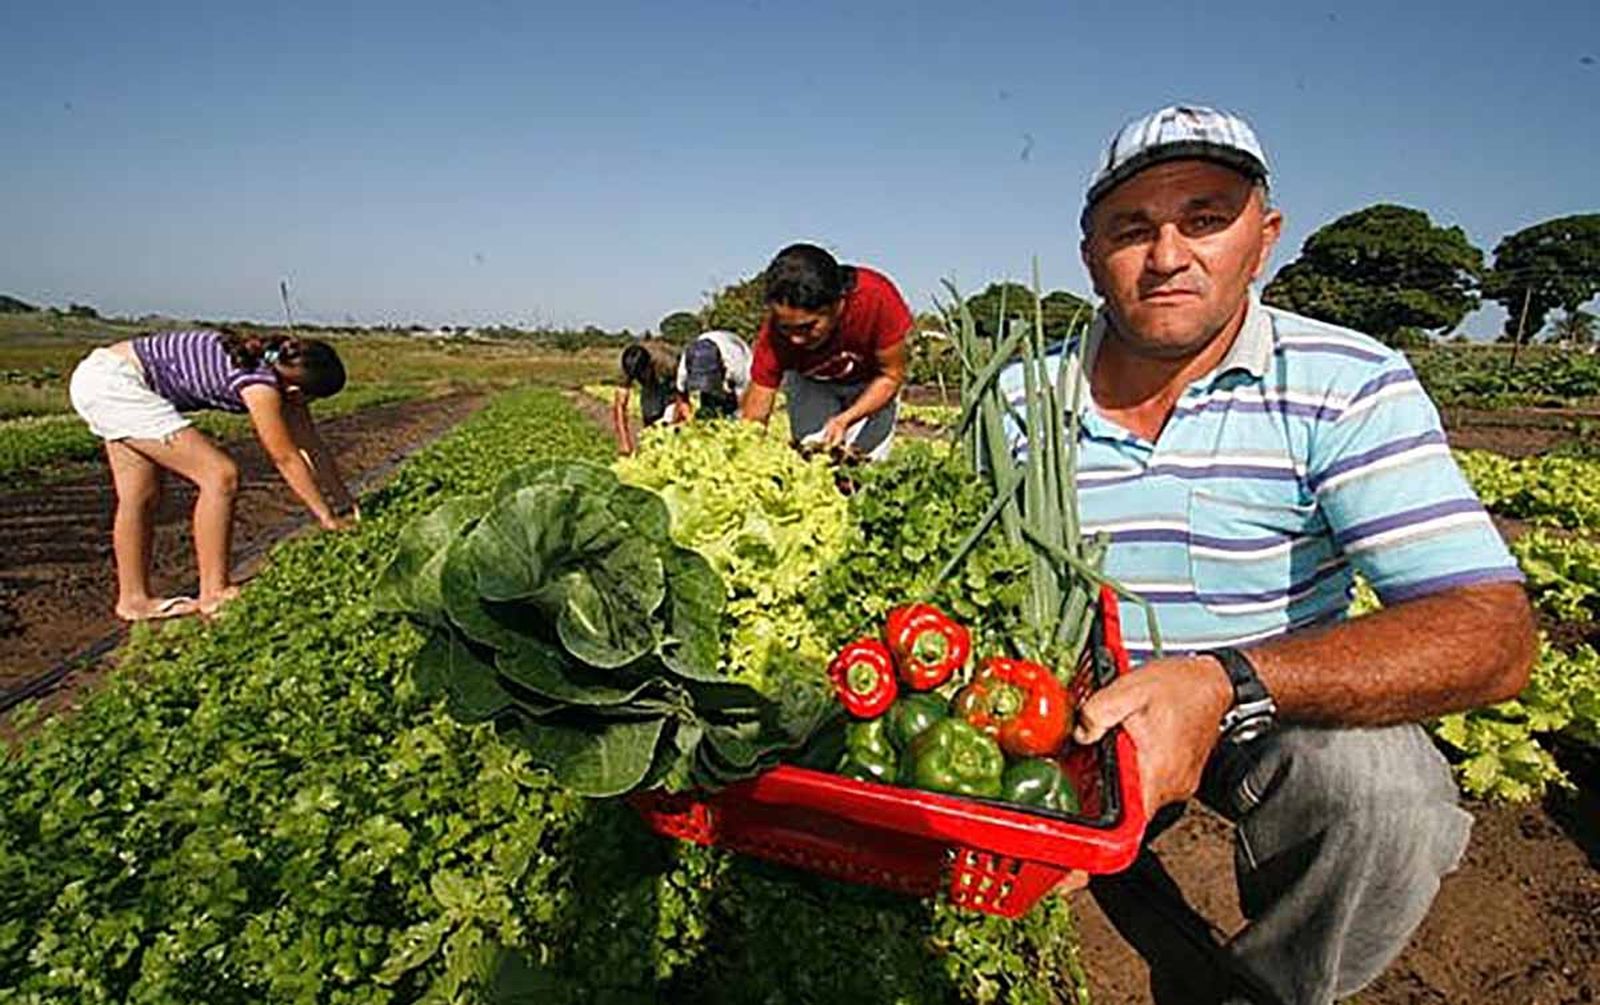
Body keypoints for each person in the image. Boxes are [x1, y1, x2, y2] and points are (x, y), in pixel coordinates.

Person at [1025, 106, 1536, 1004]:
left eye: (1206, 219)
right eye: (1133, 228)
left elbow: (1492, 632)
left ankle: (1268, 987)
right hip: (1062, 708)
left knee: (1385, 796)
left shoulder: (1348, 382)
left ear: (1264, 238)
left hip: (1262, 707)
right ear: (1090, 254)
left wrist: (1221, 681)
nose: (1168, 255)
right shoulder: (1019, 395)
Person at [68, 328, 358, 621]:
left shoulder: (274, 368)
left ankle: (133, 600)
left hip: (101, 376)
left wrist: (345, 504)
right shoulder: (260, 384)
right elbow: (285, 457)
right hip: (115, 385)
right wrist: (326, 518)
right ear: (297, 393)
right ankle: (214, 592)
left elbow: (312, 445)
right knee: (220, 475)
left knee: (140, 496)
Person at [740, 243, 912, 460]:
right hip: (813, 384)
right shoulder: (774, 334)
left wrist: (845, 419)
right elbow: (758, 403)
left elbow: (890, 376)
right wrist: (747, 452)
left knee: (865, 465)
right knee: (813, 455)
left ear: (838, 303)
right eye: (786, 328)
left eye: (808, 327)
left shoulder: (876, 299)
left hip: (872, 385)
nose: (795, 339)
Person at [612, 339, 680, 455]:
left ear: (649, 365)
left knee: (671, 421)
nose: (640, 377)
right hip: (650, 387)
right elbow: (620, 406)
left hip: (671, 384)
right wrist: (624, 442)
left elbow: (682, 392)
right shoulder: (625, 368)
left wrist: (675, 414)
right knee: (651, 415)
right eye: (637, 376)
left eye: (643, 373)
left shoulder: (667, 362)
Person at [675, 329, 752, 421]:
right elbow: (681, 395)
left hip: (738, 353)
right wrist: (688, 416)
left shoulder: (737, 363)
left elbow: (744, 399)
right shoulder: (684, 368)